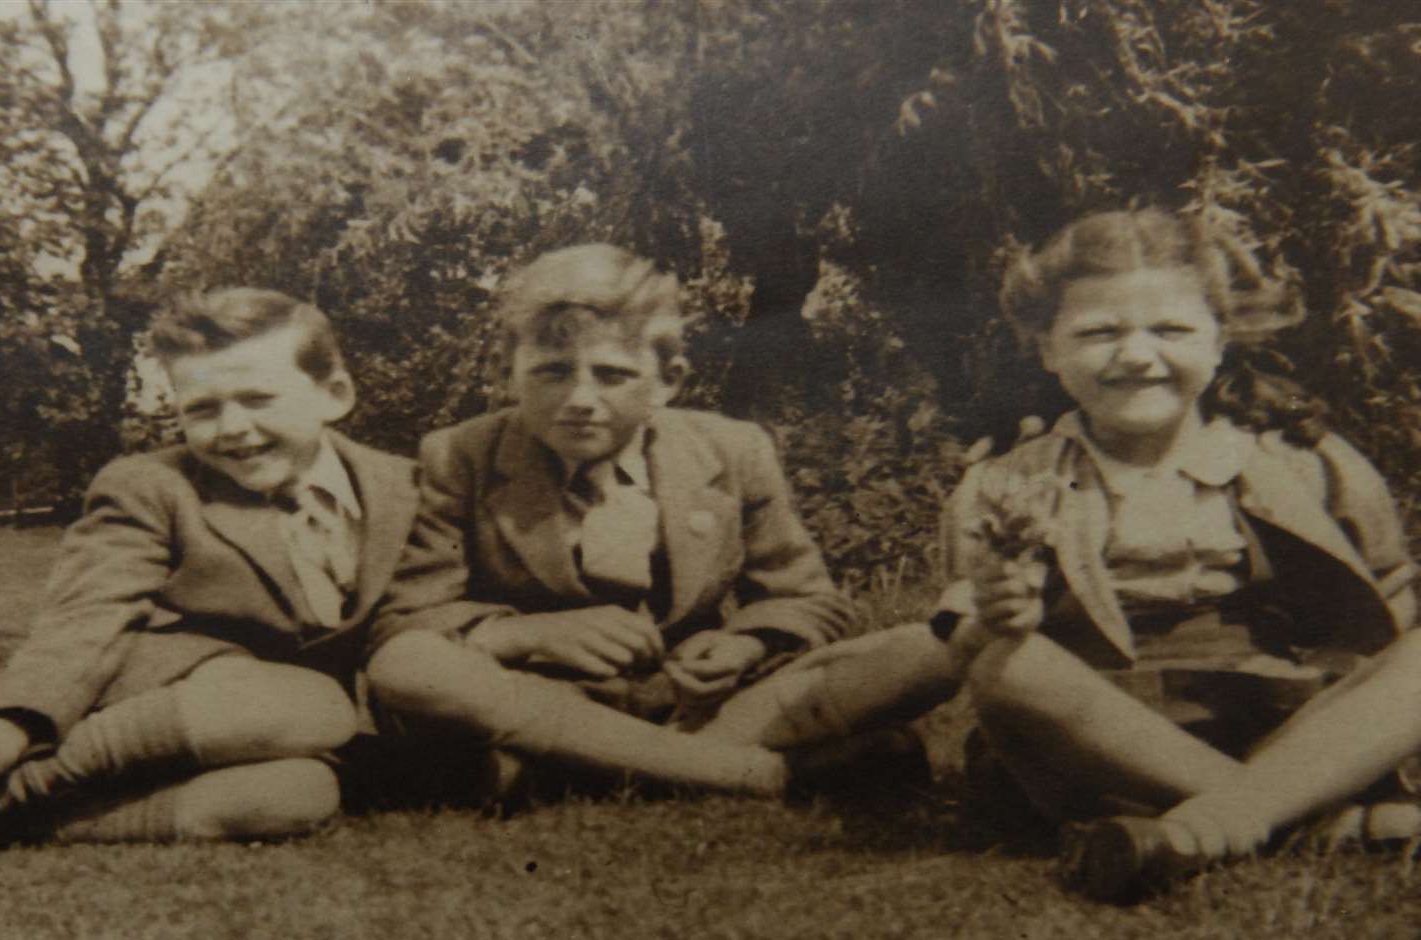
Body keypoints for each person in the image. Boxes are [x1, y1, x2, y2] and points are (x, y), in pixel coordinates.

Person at [938, 207, 1421, 901]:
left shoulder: (1301, 461)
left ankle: (1230, 817)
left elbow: (1388, 595)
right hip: (1105, 737)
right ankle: (1289, 812)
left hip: (1279, 722)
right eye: (1099, 332)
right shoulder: (1007, 481)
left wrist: (1370, 713)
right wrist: (996, 613)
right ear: (1046, 348)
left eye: (1171, 330)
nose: (1137, 354)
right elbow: (959, 625)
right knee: (1007, 667)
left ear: (1221, 340)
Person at [365, 244, 959, 806]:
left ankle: (615, 769)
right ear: (507, 372)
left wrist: (743, 643)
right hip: (548, 702)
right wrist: (531, 634)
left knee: (927, 648)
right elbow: (410, 617)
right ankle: (745, 771)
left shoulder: (732, 451)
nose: (580, 398)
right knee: (412, 666)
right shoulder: (458, 456)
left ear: (668, 380)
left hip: (704, 701)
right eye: (551, 372)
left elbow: (807, 600)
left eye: (612, 374)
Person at [0, 288, 417, 869]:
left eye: (258, 399)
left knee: (299, 797)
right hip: (172, 700)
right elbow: (88, 612)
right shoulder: (150, 486)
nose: (233, 428)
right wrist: (15, 724)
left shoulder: (405, 489)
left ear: (335, 395)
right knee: (312, 704)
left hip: (273, 737)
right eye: (201, 409)